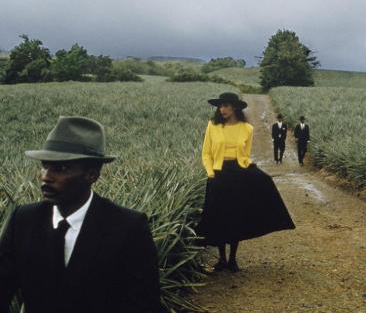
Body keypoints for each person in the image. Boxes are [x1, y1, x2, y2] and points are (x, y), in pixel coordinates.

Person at [0, 116, 160, 313]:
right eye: (44, 165)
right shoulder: (23, 219)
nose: (45, 176)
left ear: (92, 175)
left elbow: (144, 304)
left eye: (62, 168)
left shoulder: (128, 228)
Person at [196, 92, 295, 272]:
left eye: (226, 106)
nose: (222, 109)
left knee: (236, 215)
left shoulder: (247, 128)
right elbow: (206, 153)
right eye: (220, 106)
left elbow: (245, 155)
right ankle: (221, 259)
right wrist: (210, 173)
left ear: (234, 107)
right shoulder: (213, 125)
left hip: (238, 173)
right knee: (219, 216)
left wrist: (250, 168)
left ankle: (233, 259)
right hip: (218, 174)